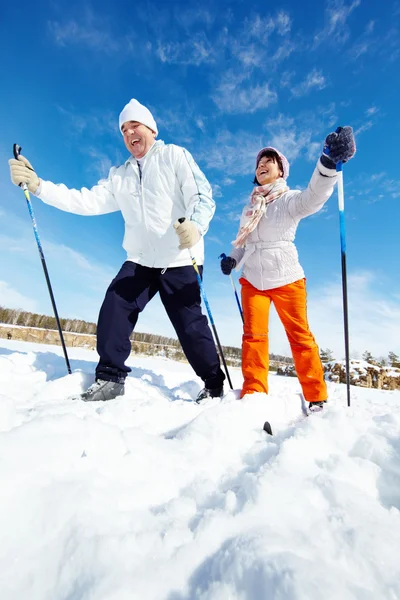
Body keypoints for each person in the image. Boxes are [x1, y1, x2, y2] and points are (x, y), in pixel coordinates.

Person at [9, 98, 225, 402]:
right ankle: (110, 377)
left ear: (151, 128)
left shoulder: (174, 156)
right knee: (114, 307)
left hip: (179, 256)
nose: (129, 134)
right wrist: (39, 186)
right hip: (140, 260)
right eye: (123, 130)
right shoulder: (119, 175)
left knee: (190, 325)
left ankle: (214, 383)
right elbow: (84, 201)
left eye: (134, 126)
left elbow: (202, 195)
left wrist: (196, 225)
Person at [220, 127, 355, 410]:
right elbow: (243, 242)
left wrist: (327, 164)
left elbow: (313, 197)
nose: (262, 165)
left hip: (286, 278)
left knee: (300, 337)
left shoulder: (288, 200)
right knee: (253, 337)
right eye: (259, 163)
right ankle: (254, 393)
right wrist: (232, 258)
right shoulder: (249, 207)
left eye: (269, 161)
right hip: (253, 279)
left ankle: (316, 396)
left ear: (281, 171)